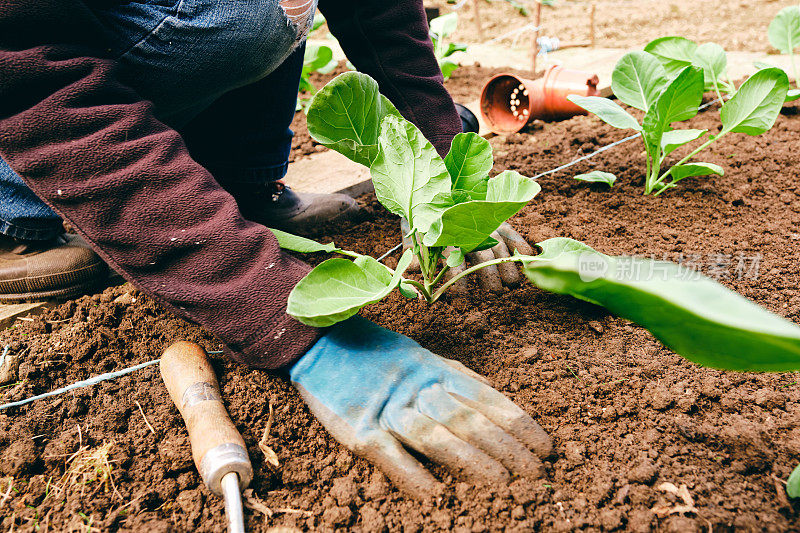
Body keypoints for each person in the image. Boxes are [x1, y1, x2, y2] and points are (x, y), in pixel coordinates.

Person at [0, 0, 551, 496]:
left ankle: (238, 183)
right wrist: (288, 324)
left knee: (270, 11)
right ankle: (16, 215)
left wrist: (446, 181)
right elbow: (30, 70)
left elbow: (379, 13)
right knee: (244, 17)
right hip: (32, 102)